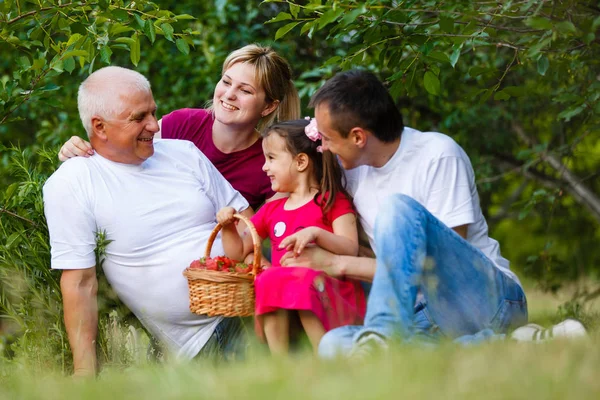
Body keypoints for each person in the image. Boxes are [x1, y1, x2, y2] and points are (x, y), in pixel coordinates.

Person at [275, 70, 529, 357]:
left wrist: (336, 263)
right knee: (333, 347)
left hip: (484, 300)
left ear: (358, 136)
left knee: (398, 208)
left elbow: (436, 269)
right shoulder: (352, 171)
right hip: (421, 316)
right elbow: (392, 263)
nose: (324, 147)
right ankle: (506, 343)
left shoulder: (437, 155)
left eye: (328, 138)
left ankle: (383, 335)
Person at [43, 66, 252, 376]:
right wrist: (84, 373)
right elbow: (80, 282)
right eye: (139, 117)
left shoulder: (183, 153)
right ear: (99, 127)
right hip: (205, 338)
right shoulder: (74, 182)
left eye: (154, 112)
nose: (155, 126)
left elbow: (246, 222)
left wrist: (250, 271)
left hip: (246, 294)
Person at [57, 44, 301, 211]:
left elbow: (269, 230)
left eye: (245, 90)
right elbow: (118, 150)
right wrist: (80, 150)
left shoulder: (269, 161)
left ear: (268, 107)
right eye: (226, 82)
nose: (229, 94)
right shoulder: (182, 124)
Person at [216, 119, 366, 355]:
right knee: (268, 278)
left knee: (300, 279)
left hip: (330, 296)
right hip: (285, 302)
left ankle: (325, 355)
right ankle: (281, 361)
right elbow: (238, 253)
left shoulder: (331, 201)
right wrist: (227, 227)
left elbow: (350, 249)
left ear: (301, 162)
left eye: (271, 158)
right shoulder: (272, 210)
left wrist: (317, 234)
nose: (264, 167)